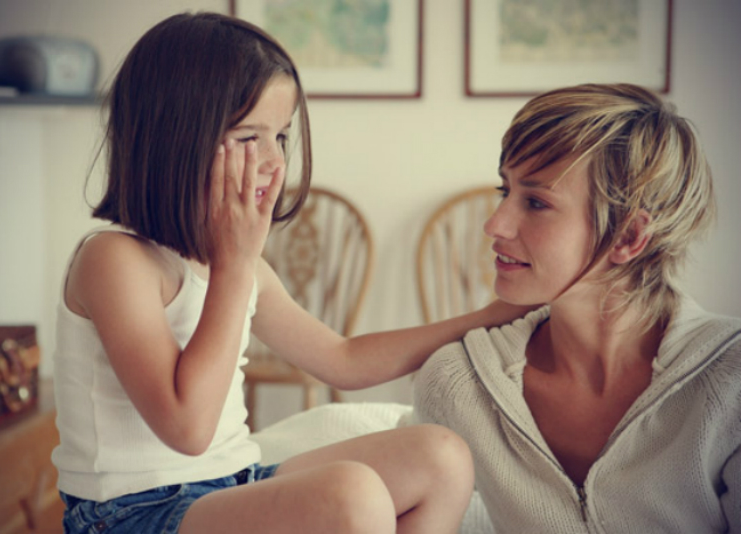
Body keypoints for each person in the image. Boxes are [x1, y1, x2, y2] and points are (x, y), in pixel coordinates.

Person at [51, 12, 529, 534]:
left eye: (280, 136)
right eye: (247, 137)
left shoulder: (235, 267)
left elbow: (343, 361)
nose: (274, 162)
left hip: (230, 482)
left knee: (441, 454)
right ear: (174, 137)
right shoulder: (115, 260)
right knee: (354, 495)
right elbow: (186, 428)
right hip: (128, 513)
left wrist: (491, 316)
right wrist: (234, 264)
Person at [414, 83, 741, 533]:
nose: (495, 224)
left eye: (536, 202)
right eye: (503, 189)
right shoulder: (456, 383)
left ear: (628, 236)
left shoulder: (731, 382)